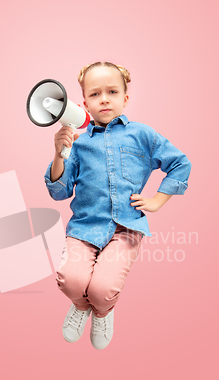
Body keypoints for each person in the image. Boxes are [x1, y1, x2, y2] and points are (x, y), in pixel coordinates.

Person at [44, 62, 192, 350]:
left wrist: (158, 200)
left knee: (102, 289)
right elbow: (59, 193)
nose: (104, 99)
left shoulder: (142, 135)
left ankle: (101, 311)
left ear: (125, 98)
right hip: (84, 228)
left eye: (112, 91)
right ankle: (81, 307)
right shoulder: (78, 143)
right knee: (71, 282)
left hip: (125, 229)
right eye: (95, 94)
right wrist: (59, 154)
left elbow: (180, 163)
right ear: (83, 102)